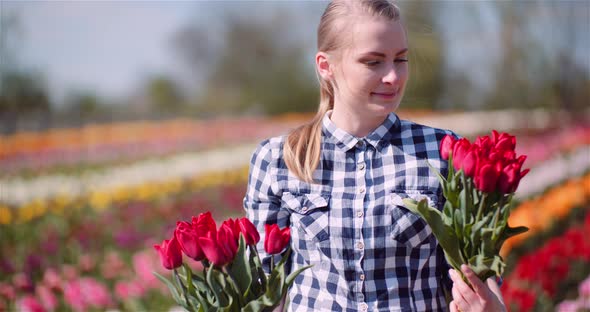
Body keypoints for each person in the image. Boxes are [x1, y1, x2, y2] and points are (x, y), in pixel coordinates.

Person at [244, 0, 506, 311]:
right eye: (373, 62)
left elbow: (477, 265)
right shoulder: (279, 159)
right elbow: (262, 288)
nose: (393, 77)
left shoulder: (443, 152)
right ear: (325, 66)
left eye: (401, 59)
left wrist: (492, 306)